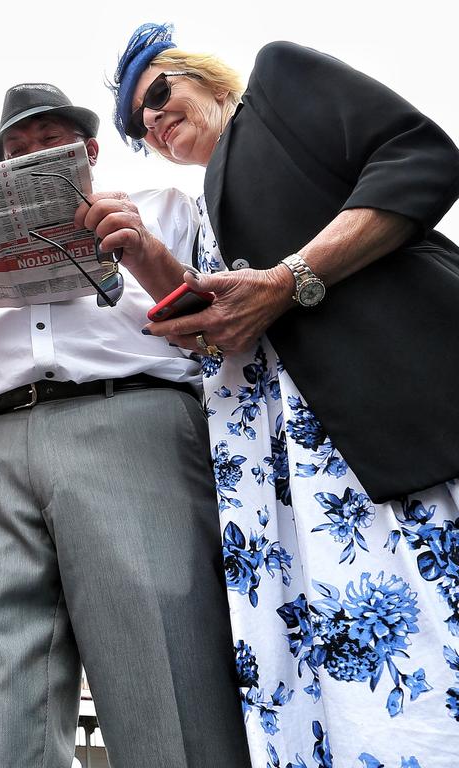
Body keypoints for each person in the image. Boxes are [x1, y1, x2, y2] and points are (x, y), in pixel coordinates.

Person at [108, 22, 459, 767]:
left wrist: (287, 280)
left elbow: (421, 157)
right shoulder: (199, 204)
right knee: (357, 696)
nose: (152, 120)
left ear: (203, 76)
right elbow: (235, 323)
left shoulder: (277, 83)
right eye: (137, 125)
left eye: (159, 93)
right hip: (293, 488)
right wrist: (144, 255)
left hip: (389, 432)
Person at [0, 84, 250, 767]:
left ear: (89, 150)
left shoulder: (166, 206)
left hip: (130, 421)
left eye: (49, 143)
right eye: (14, 150)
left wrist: (137, 250)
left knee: (162, 670)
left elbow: (220, 335)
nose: (30, 156)